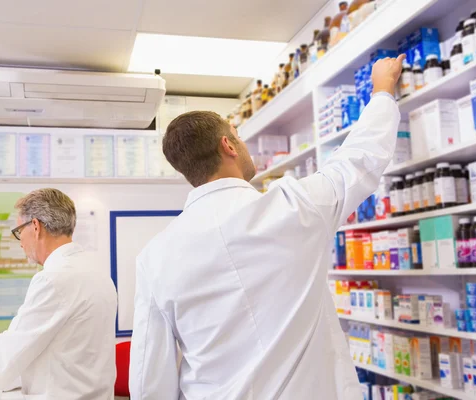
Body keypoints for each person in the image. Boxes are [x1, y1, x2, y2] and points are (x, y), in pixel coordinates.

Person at [129, 55, 405, 399]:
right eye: (238, 136)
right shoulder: (293, 206)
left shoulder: (155, 257)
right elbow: (359, 161)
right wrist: (382, 90)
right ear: (228, 146)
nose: (242, 144)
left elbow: (147, 378)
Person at [0, 188, 117, 400]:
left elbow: (11, 350)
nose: (20, 242)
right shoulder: (97, 271)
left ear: (35, 226)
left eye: (19, 231)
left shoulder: (54, 279)